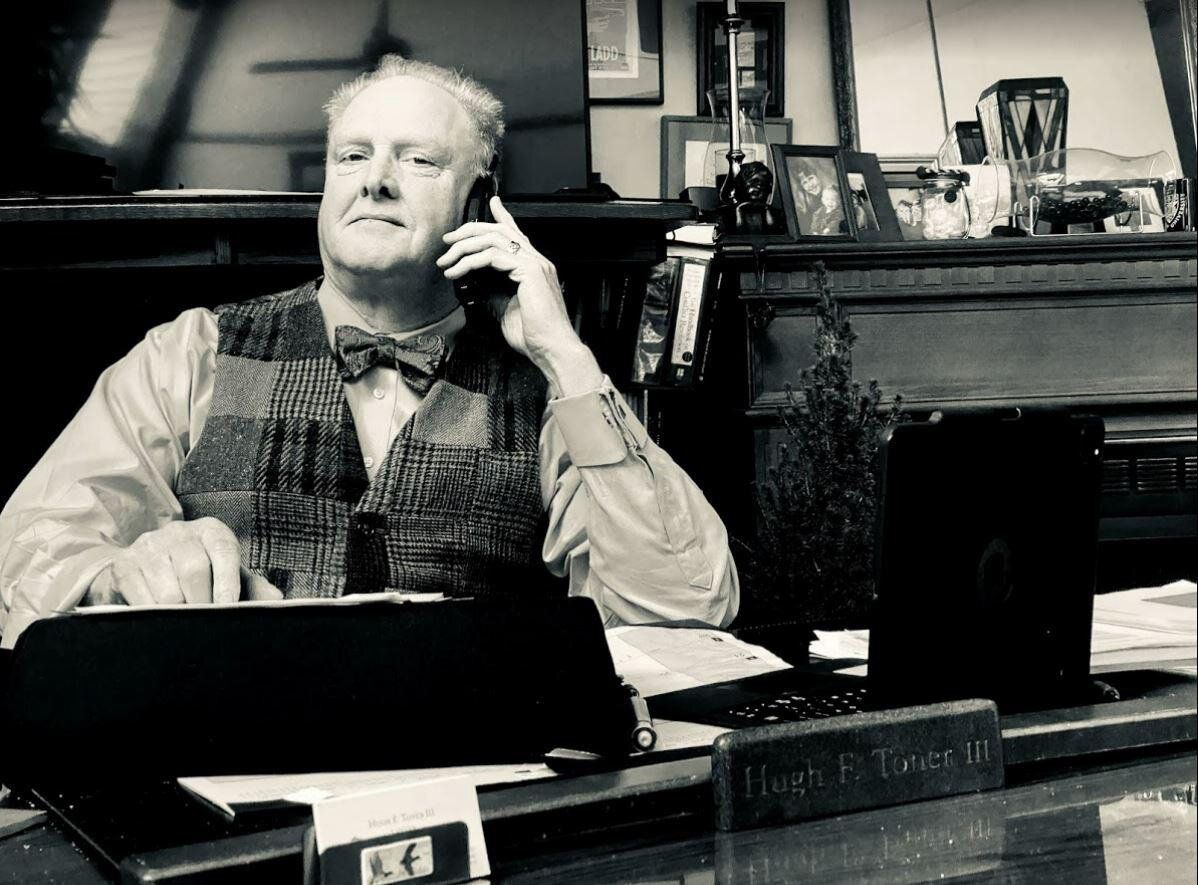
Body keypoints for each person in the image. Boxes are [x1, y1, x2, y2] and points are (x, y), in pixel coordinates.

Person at [0, 56, 739, 648]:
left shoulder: (554, 397)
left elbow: (687, 611)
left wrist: (568, 359)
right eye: (352, 156)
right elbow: (30, 551)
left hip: (474, 778)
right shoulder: (190, 352)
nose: (375, 180)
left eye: (417, 160)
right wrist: (115, 575)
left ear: (480, 202)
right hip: (227, 783)